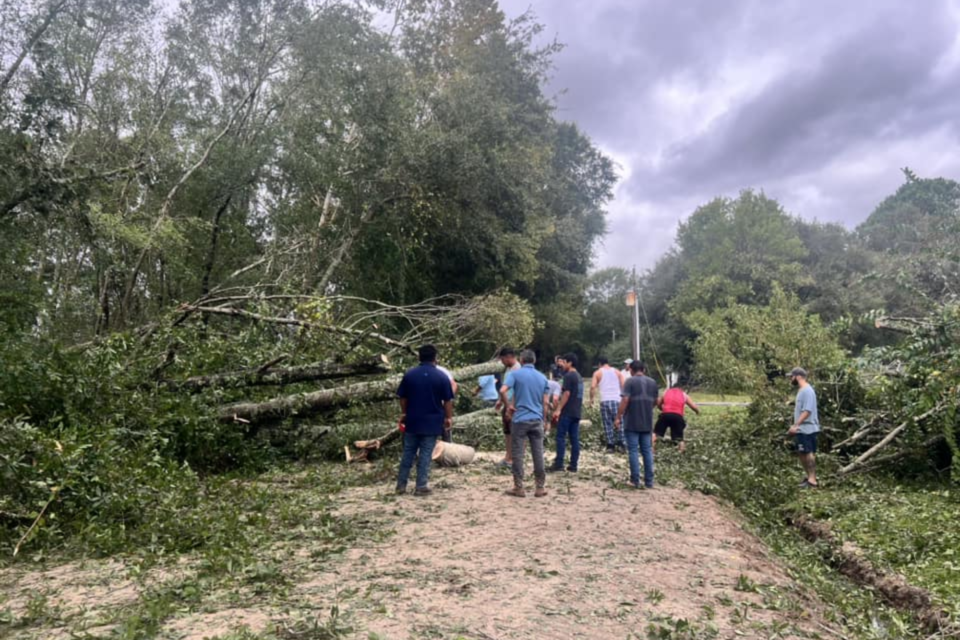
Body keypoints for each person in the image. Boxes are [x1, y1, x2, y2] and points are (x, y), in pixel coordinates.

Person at [395, 344, 455, 496]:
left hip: (413, 420)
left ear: (419, 357)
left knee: (408, 452)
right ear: (435, 358)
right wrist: (448, 418)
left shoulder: (409, 375)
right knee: (426, 453)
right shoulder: (441, 377)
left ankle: (401, 485)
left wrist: (404, 413)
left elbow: (403, 397)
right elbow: (448, 401)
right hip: (432, 420)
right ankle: (421, 485)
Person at [504, 349, 551, 497]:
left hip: (520, 419)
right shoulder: (543, 378)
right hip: (537, 419)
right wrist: (544, 420)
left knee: (518, 454)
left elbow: (502, 390)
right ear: (534, 361)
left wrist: (508, 407)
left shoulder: (515, 374)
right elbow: (545, 402)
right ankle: (540, 487)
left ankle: (519, 487)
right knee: (538, 453)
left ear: (521, 360)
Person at [614, 361, 658, 489]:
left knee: (633, 450)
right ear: (643, 369)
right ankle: (649, 481)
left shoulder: (630, 382)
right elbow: (656, 401)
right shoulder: (653, 382)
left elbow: (625, 399)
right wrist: (647, 408)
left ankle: (635, 480)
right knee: (647, 450)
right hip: (647, 421)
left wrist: (618, 417)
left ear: (631, 370)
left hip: (632, 421)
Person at [549, 353, 583, 472]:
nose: (562, 365)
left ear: (570, 363)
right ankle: (573, 465)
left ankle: (559, 463)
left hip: (567, 412)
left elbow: (566, 394)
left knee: (560, 437)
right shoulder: (579, 376)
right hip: (577, 411)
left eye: (564, 362)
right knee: (574, 439)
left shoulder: (569, 376)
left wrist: (558, 410)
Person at [788, 367, 820, 488]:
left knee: (808, 452)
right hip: (801, 428)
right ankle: (808, 477)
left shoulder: (807, 391)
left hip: (808, 428)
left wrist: (796, 425)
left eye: (792, 376)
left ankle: (812, 480)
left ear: (798, 376)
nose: (790, 379)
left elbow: (807, 411)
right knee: (801, 452)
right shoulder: (801, 390)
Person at [591, 356, 625, 453]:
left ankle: (610, 445)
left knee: (607, 423)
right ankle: (621, 443)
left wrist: (591, 399)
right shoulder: (617, 372)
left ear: (599, 364)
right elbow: (623, 385)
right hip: (617, 399)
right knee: (620, 421)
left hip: (605, 400)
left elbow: (593, 387)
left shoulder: (597, 373)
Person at [654, 385, 700, 453]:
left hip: (665, 415)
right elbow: (693, 407)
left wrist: (661, 408)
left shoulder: (666, 392)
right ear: (681, 388)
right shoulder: (684, 394)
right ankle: (681, 452)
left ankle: (651, 450)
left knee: (656, 433)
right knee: (679, 437)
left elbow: (658, 403)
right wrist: (697, 412)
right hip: (677, 416)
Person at [495, 348, 521, 468]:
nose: (502, 362)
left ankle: (513, 458)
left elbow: (516, 390)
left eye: (503, 359)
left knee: (513, 431)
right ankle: (508, 455)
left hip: (513, 404)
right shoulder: (508, 369)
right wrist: (500, 401)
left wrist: (511, 406)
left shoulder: (517, 369)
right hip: (506, 403)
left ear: (509, 357)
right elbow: (505, 387)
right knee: (507, 431)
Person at [435, 363, 458, 443]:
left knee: (445, 427)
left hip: (441, 404)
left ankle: (448, 444)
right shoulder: (417, 371)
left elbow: (454, 385)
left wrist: (447, 396)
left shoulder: (442, 371)